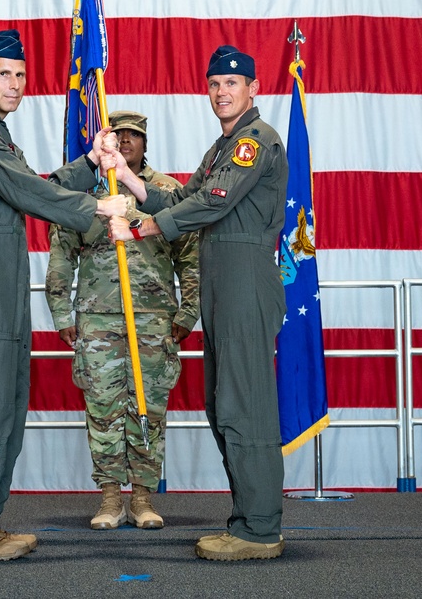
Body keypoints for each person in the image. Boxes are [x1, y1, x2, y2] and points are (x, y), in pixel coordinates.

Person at [0, 29, 127, 561]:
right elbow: (29, 191)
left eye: (20, 75)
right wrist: (96, 208)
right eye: (4, 74)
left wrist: (90, 163)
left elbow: (29, 182)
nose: (15, 84)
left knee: (7, 400)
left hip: (2, 272)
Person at [106, 46, 288, 561]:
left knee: (245, 407)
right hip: (221, 281)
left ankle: (259, 529)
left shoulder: (255, 141)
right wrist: (129, 177)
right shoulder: (221, 146)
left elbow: (211, 203)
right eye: (213, 84)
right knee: (223, 404)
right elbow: (186, 198)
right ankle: (247, 519)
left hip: (246, 279)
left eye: (231, 83)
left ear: (253, 88)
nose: (221, 92)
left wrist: (143, 225)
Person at [45, 110, 200, 531]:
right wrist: (61, 312)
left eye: (135, 136)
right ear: (106, 142)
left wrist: (187, 312)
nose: (127, 142)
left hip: (154, 320)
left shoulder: (166, 192)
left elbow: (191, 258)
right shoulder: (84, 193)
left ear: (146, 143)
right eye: (119, 135)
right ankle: (110, 499)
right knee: (103, 410)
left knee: (148, 410)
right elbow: (61, 255)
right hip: (97, 321)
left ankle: (144, 499)